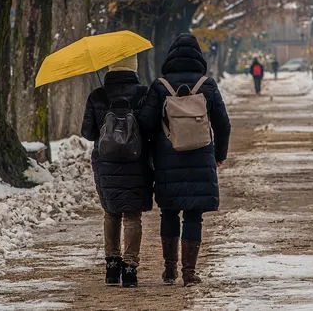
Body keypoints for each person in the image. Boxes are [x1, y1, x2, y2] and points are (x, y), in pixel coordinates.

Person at [139, 34, 231, 286]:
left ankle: (169, 270)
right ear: (198, 57)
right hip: (200, 157)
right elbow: (223, 124)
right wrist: (219, 155)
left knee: (168, 213)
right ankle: (189, 273)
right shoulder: (207, 84)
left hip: (167, 160)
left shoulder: (160, 86)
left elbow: (145, 125)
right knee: (194, 215)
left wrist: (152, 148)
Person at [81, 55, 153, 288]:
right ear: (134, 67)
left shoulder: (97, 95)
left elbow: (88, 133)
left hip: (106, 163)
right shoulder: (143, 94)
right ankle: (130, 268)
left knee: (111, 212)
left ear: (110, 66)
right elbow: (151, 127)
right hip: (137, 162)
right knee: (133, 215)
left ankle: (112, 267)